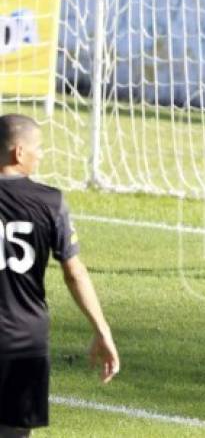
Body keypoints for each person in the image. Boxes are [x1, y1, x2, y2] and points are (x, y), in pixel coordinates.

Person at [0, 114, 119, 437]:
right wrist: (102, 331)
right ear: (19, 152)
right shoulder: (50, 201)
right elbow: (74, 273)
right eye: (38, 148)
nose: (42, 155)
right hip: (23, 340)